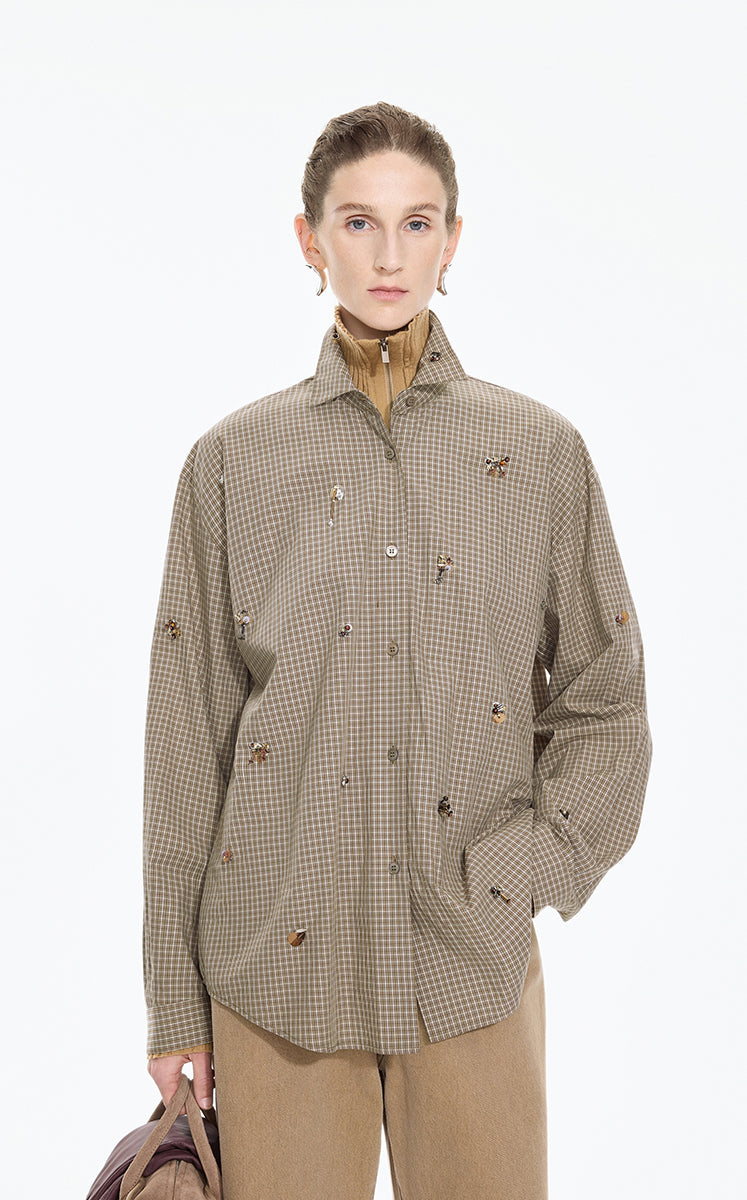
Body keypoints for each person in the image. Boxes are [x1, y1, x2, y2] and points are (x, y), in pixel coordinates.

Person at [143, 101, 652, 1199]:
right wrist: (174, 1002)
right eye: (358, 223)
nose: (388, 255)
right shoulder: (230, 464)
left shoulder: (539, 454)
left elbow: (605, 704)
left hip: (470, 969)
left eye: (417, 224)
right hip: (273, 975)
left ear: (452, 241)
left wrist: (520, 871)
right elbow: (186, 744)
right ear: (309, 239)